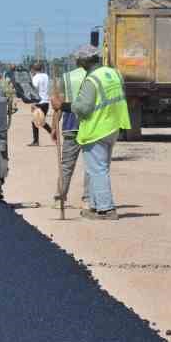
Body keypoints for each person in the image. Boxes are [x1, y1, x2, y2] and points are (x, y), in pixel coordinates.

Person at [73, 46, 130, 220]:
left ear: (85, 61)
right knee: (95, 169)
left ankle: (106, 209)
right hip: (113, 126)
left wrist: (69, 106)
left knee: (98, 170)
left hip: (96, 129)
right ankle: (95, 206)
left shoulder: (92, 80)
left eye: (78, 59)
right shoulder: (114, 74)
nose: (77, 62)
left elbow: (84, 108)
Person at [52, 52, 89, 209]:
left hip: (70, 125)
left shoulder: (66, 78)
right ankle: (88, 199)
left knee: (66, 165)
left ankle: (59, 198)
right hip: (91, 125)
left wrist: (54, 126)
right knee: (91, 165)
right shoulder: (94, 76)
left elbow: (58, 105)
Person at [28, 62, 51, 146]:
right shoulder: (46, 76)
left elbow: (34, 90)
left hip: (38, 103)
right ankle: (52, 133)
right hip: (46, 102)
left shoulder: (35, 78)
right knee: (40, 121)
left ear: (33, 69)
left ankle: (36, 141)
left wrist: (32, 103)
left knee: (36, 121)